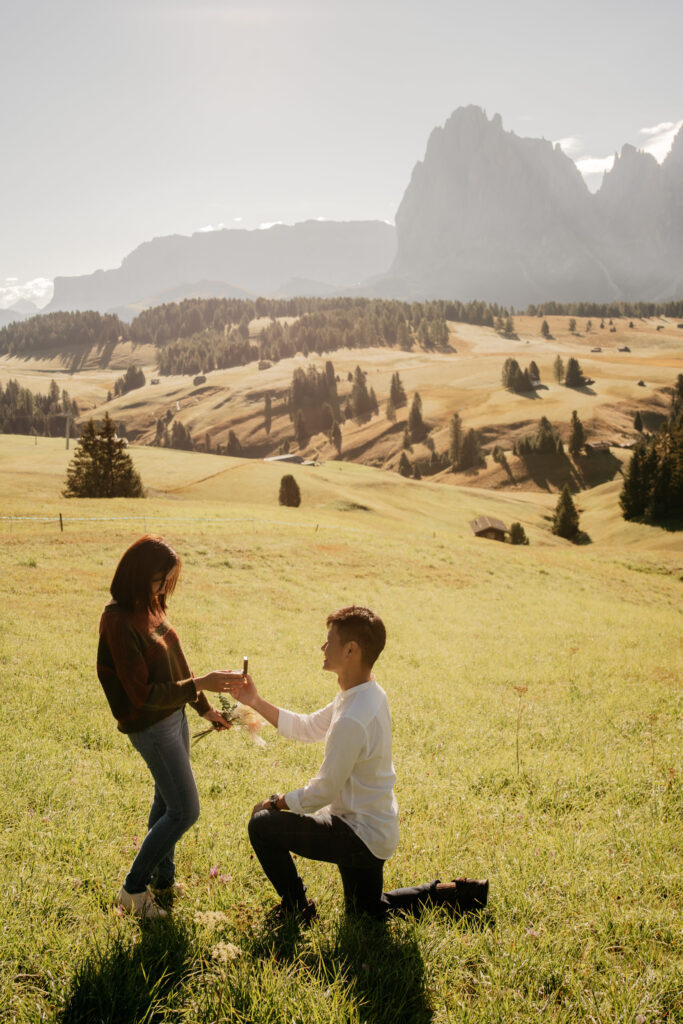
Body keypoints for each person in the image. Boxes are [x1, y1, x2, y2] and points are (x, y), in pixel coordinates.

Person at [236, 605, 488, 922]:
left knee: (262, 825)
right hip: (374, 828)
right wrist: (255, 702)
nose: (323, 647)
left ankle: (296, 908)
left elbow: (323, 791)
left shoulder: (353, 717)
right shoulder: (366, 693)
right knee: (366, 913)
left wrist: (274, 802)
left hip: (357, 834)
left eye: (329, 641)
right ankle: (454, 894)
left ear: (351, 650)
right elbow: (308, 726)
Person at [97, 535, 243, 920]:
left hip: (173, 717)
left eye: (169, 582)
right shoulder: (116, 621)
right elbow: (141, 694)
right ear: (139, 574)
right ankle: (133, 889)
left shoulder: (153, 606)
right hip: (151, 725)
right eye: (160, 580)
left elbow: (178, 666)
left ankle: (163, 881)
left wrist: (205, 708)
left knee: (166, 801)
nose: (165, 589)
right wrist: (201, 684)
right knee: (185, 810)